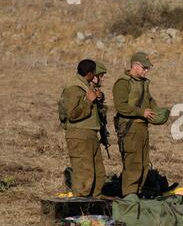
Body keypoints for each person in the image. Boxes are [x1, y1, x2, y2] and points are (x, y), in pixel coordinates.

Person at [113, 52, 169, 197]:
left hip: (142, 128)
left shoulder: (144, 82)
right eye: (144, 68)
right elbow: (120, 106)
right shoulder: (123, 82)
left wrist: (159, 114)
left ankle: (137, 193)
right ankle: (129, 196)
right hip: (130, 129)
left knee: (144, 164)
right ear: (135, 65)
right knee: (133, 164)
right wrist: (140, 112)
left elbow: (150, 101)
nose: (146, 71)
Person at [61, 59, 106, 197]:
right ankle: (78, 211)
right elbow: (72, 114)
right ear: (91, 74)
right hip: (79, 136)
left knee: (99, 175)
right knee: (84, 176)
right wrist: (88, 101)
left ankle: (94, 208)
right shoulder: (74, 88)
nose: (100, 78)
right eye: (98, 74)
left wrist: (99, 98)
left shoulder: (86, 86)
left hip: (90, 134)